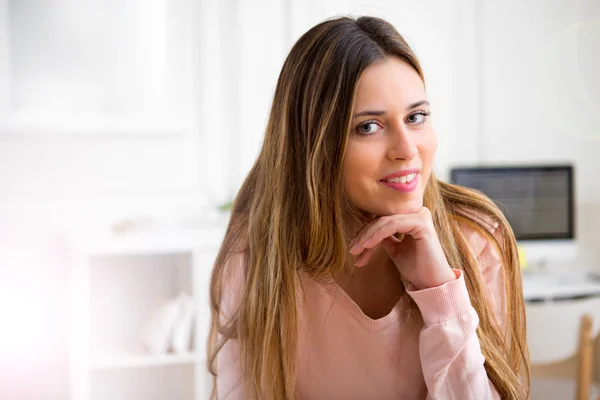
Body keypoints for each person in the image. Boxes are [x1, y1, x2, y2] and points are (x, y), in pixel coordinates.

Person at [207, 15, 530, 400]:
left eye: (416, 117)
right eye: (368, 127)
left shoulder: (476, 237)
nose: (407, 150)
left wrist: (439, 292)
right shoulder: (257, 253)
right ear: (313, 146)